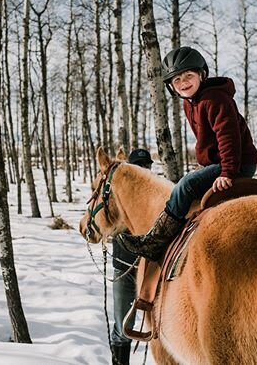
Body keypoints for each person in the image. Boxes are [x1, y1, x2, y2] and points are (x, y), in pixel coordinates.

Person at [119, 46, 257, 262]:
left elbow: (228, 137)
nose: (183, 83)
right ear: (171, 86)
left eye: (188, 76)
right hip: (221, 162)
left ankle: (156, 241)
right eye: (177, 80)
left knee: (185, 185)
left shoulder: (215, 100)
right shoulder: (190, 103)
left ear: (202, 74)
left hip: (237, 162)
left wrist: (228, 172)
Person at [111, 148, 153, 365]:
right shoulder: (121, 196)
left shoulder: (156, 196)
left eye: (147, 165)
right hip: (124, 268)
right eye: (140, 165)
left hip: (150, 272)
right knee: (122, 325)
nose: (144, 169)